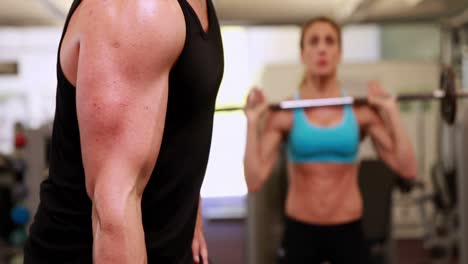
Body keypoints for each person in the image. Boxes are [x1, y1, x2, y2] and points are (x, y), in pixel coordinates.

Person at [24, 0, 224, 263]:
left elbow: (180, 121)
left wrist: (187, 211)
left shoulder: (196, 6)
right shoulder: (137, 8)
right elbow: (114, 210)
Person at [243, 16, 417, 264]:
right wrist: (251, 123)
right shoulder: (286, 113)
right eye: (313, 42)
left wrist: (391, 111)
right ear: (303, 55)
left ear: (339, 53)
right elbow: (253, 180)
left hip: (348, 228)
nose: (322, 48)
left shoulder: (360, 112)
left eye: (329, 41)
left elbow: (408, 168)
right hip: (300, 229)